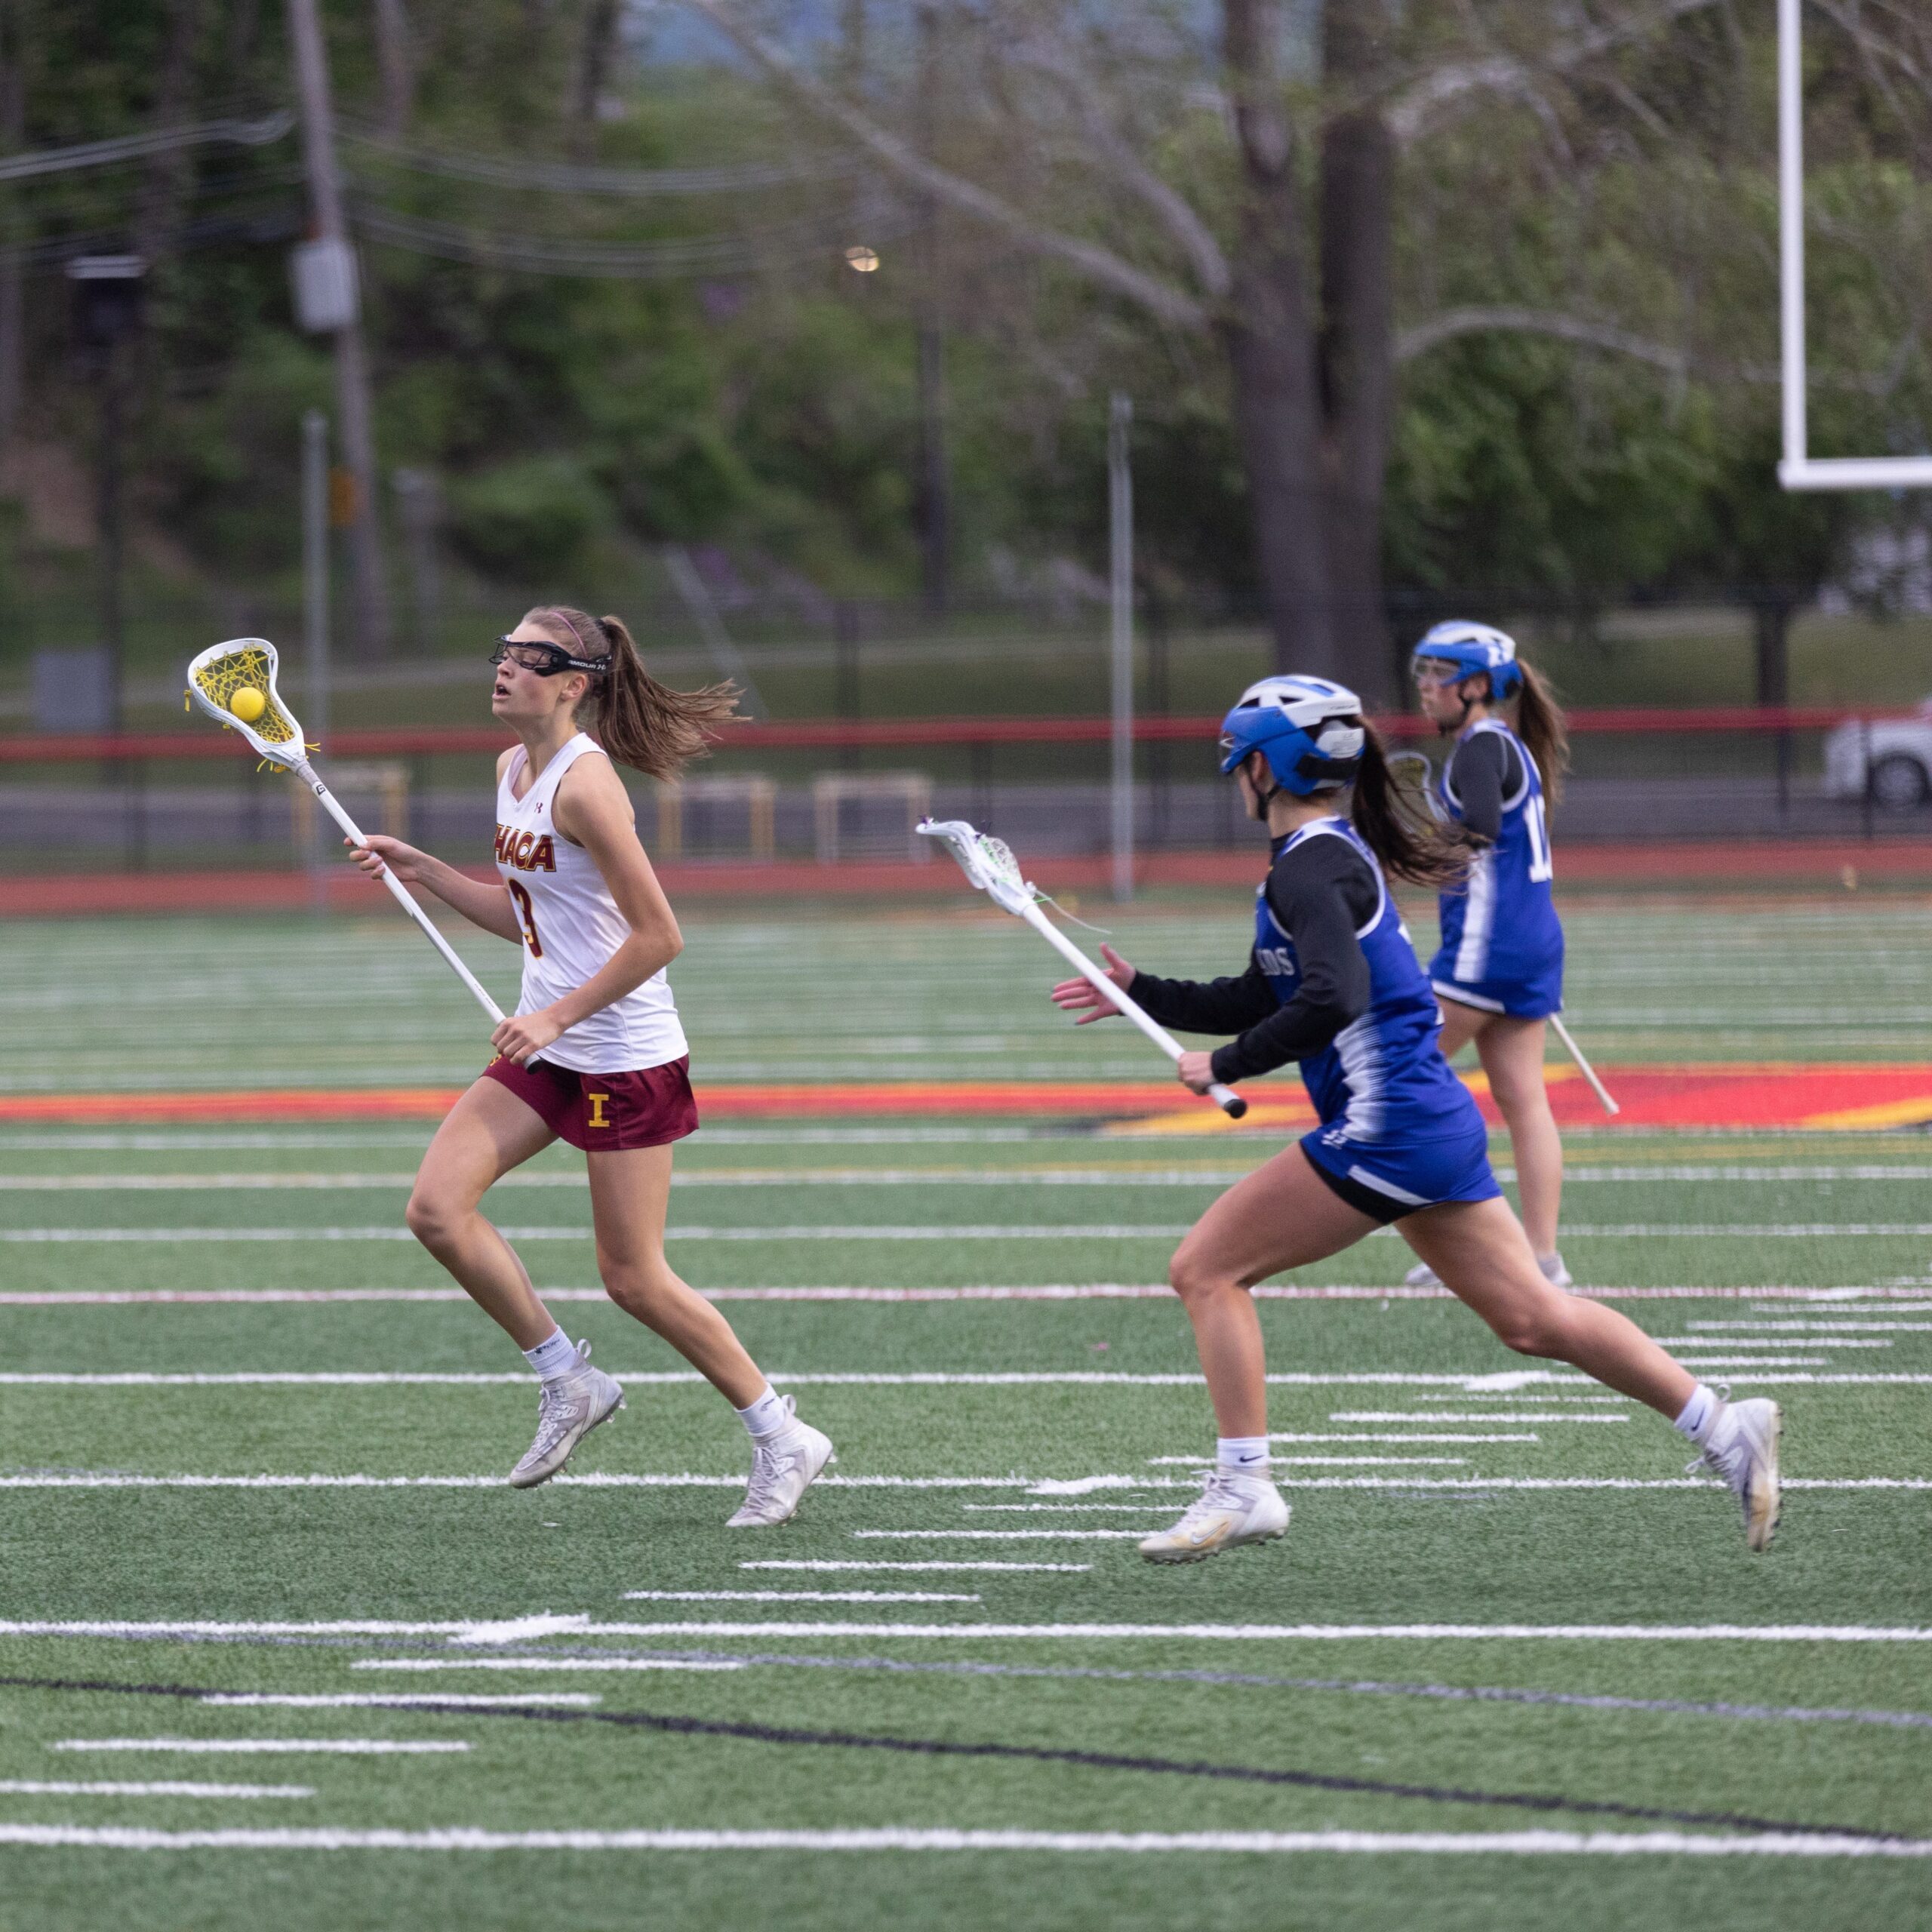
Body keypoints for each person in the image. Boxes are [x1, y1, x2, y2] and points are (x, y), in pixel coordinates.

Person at [1051, 675, 1780, 1563]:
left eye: (1239, 762)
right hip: (1425, 1124)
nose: (1234, 777)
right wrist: (1142, 991)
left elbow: (1331, 995)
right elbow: (1264, 989)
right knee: (1533, 1319)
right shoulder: (1319, 859)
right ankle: (1723, 1424)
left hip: (1387, 1126)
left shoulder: (1311, 868)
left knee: (1205, 1268)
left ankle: (1245, 1484)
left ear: (1268, 771)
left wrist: (1229, 1063)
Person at [352, 607, 834, 1527]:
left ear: (573, 682)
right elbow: (526, 911)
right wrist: (426, 873)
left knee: (633, 1277)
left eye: (529, 657)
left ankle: (781, 1434)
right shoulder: (512, 769)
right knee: (436, 1209)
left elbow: (661, 935)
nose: (505, 667)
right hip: (553, 1043)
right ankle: (568, 1379)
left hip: (621, 1052)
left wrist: (554, 1015)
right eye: (501, 650)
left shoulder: (586, 785)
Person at [1404, 621, 1572, 1289]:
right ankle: (1541, 1260)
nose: (1424, 688)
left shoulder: (1479, 749)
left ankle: (1462, 1245)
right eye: (1423, 673)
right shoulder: (1508, 747)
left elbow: (1476, 832)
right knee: (1522, 1098)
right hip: (1530, 944)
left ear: (1475, 687)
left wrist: (1408, 850)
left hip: (1487, 948)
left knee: (1396, 1076)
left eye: (1437, 675)